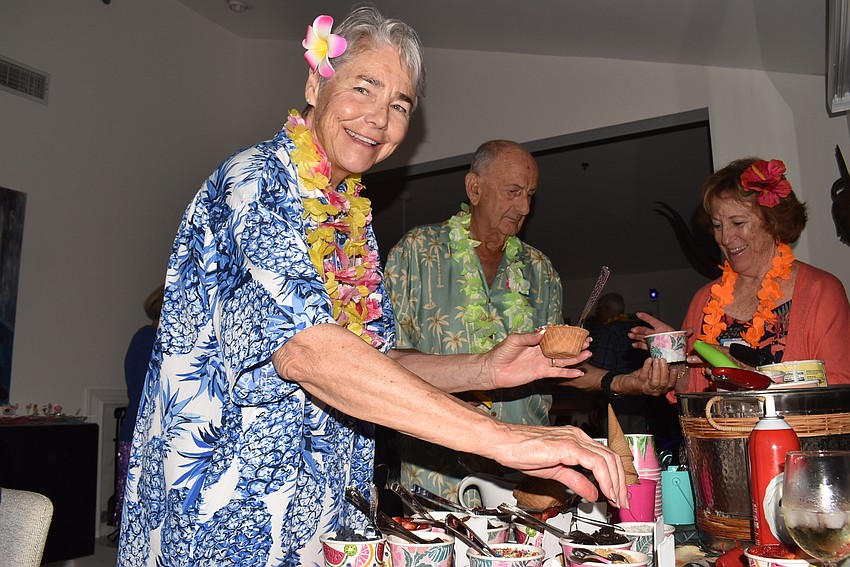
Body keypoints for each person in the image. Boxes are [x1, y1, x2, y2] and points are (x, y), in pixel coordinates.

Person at [118, 8, 633, 566]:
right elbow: (311, 352)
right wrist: (507, 440)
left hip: (326, 522)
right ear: (316, 83)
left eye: (400, 104)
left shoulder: (351, 221)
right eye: (363, 88)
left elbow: (374, 363)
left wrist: (485, 370)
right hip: (225, 525)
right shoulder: (257, 182)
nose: (379, 119)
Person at [384, 140, 680, 503]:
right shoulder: (416, 253)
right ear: (474, 188)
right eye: (513, 192)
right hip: (436, 474)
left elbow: (559, 366)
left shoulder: (540, 271)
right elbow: (386, 363)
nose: (524, 207)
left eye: (530, 195)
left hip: (529, 480)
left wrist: (625, 382)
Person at [630, 157, 850, 395]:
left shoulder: (820, 290)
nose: (724, 238)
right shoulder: (704, 300)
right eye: (717, 225)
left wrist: (749, 374)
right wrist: (674, 358)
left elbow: (840, 385)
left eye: (737, 222)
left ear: (772, 221)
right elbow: (694, 389)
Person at [113, 285, 163, 530]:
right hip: (139, 435)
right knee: (138, 509)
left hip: (148, 433)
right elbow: (151, 387)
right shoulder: (147, 338)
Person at [589, 293, 648, 375]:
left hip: (616, 383)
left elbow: (601, 367)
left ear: (607, 309)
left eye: (599, 309)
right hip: (635, 380)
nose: (597, 313)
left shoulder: (609, 330)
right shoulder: (632, 328)